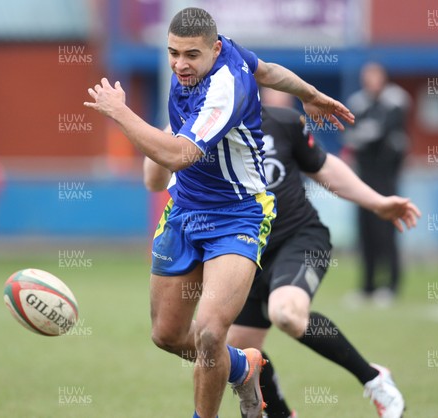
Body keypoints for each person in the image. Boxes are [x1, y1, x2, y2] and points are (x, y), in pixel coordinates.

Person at [84, 7, 354, 418]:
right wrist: (309, 93)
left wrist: (120, 111)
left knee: (210, 334)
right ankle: (245, 367)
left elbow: (180, 155)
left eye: (191, 55)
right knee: (167, 335)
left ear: (214, 49)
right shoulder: (230, 53)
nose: (179, 64)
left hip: (238, 216)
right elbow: (268, 71)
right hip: (184, 212)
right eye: (173, 53)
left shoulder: (224, 89)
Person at [145, 89, 420, 418]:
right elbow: (154, 180)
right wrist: (164, 136)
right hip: (240, 254)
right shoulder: (193, 131)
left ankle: (375, 380)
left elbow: (324, 166)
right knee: (229, 349)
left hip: (297, 238)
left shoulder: (281, 122)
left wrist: (377, 202)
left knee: (286, 313)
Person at [343, 62, 411, 305]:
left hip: (386, 175)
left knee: (387, 230)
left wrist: (365, 136)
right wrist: (363, 136)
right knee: (366, 232)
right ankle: (368, 287)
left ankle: (391, 285)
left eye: (375, 75)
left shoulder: (396, 100)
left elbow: (381, 132)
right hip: (364, 176)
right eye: (367, 76)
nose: (370, 80)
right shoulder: (358, 102)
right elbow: (351, 132)